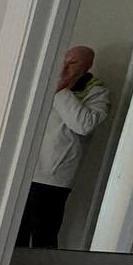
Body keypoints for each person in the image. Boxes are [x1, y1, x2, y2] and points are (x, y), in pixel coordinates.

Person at [18, 44, 111, 248]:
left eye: (73, 62)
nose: (65, 67)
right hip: (25, 170)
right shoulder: (44, 82)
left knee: (44, 233)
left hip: (54, 176)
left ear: (87, 65)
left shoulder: (96, 92)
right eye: (65, 61)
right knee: (16, 232)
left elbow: (84, 125)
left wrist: (61, 91)